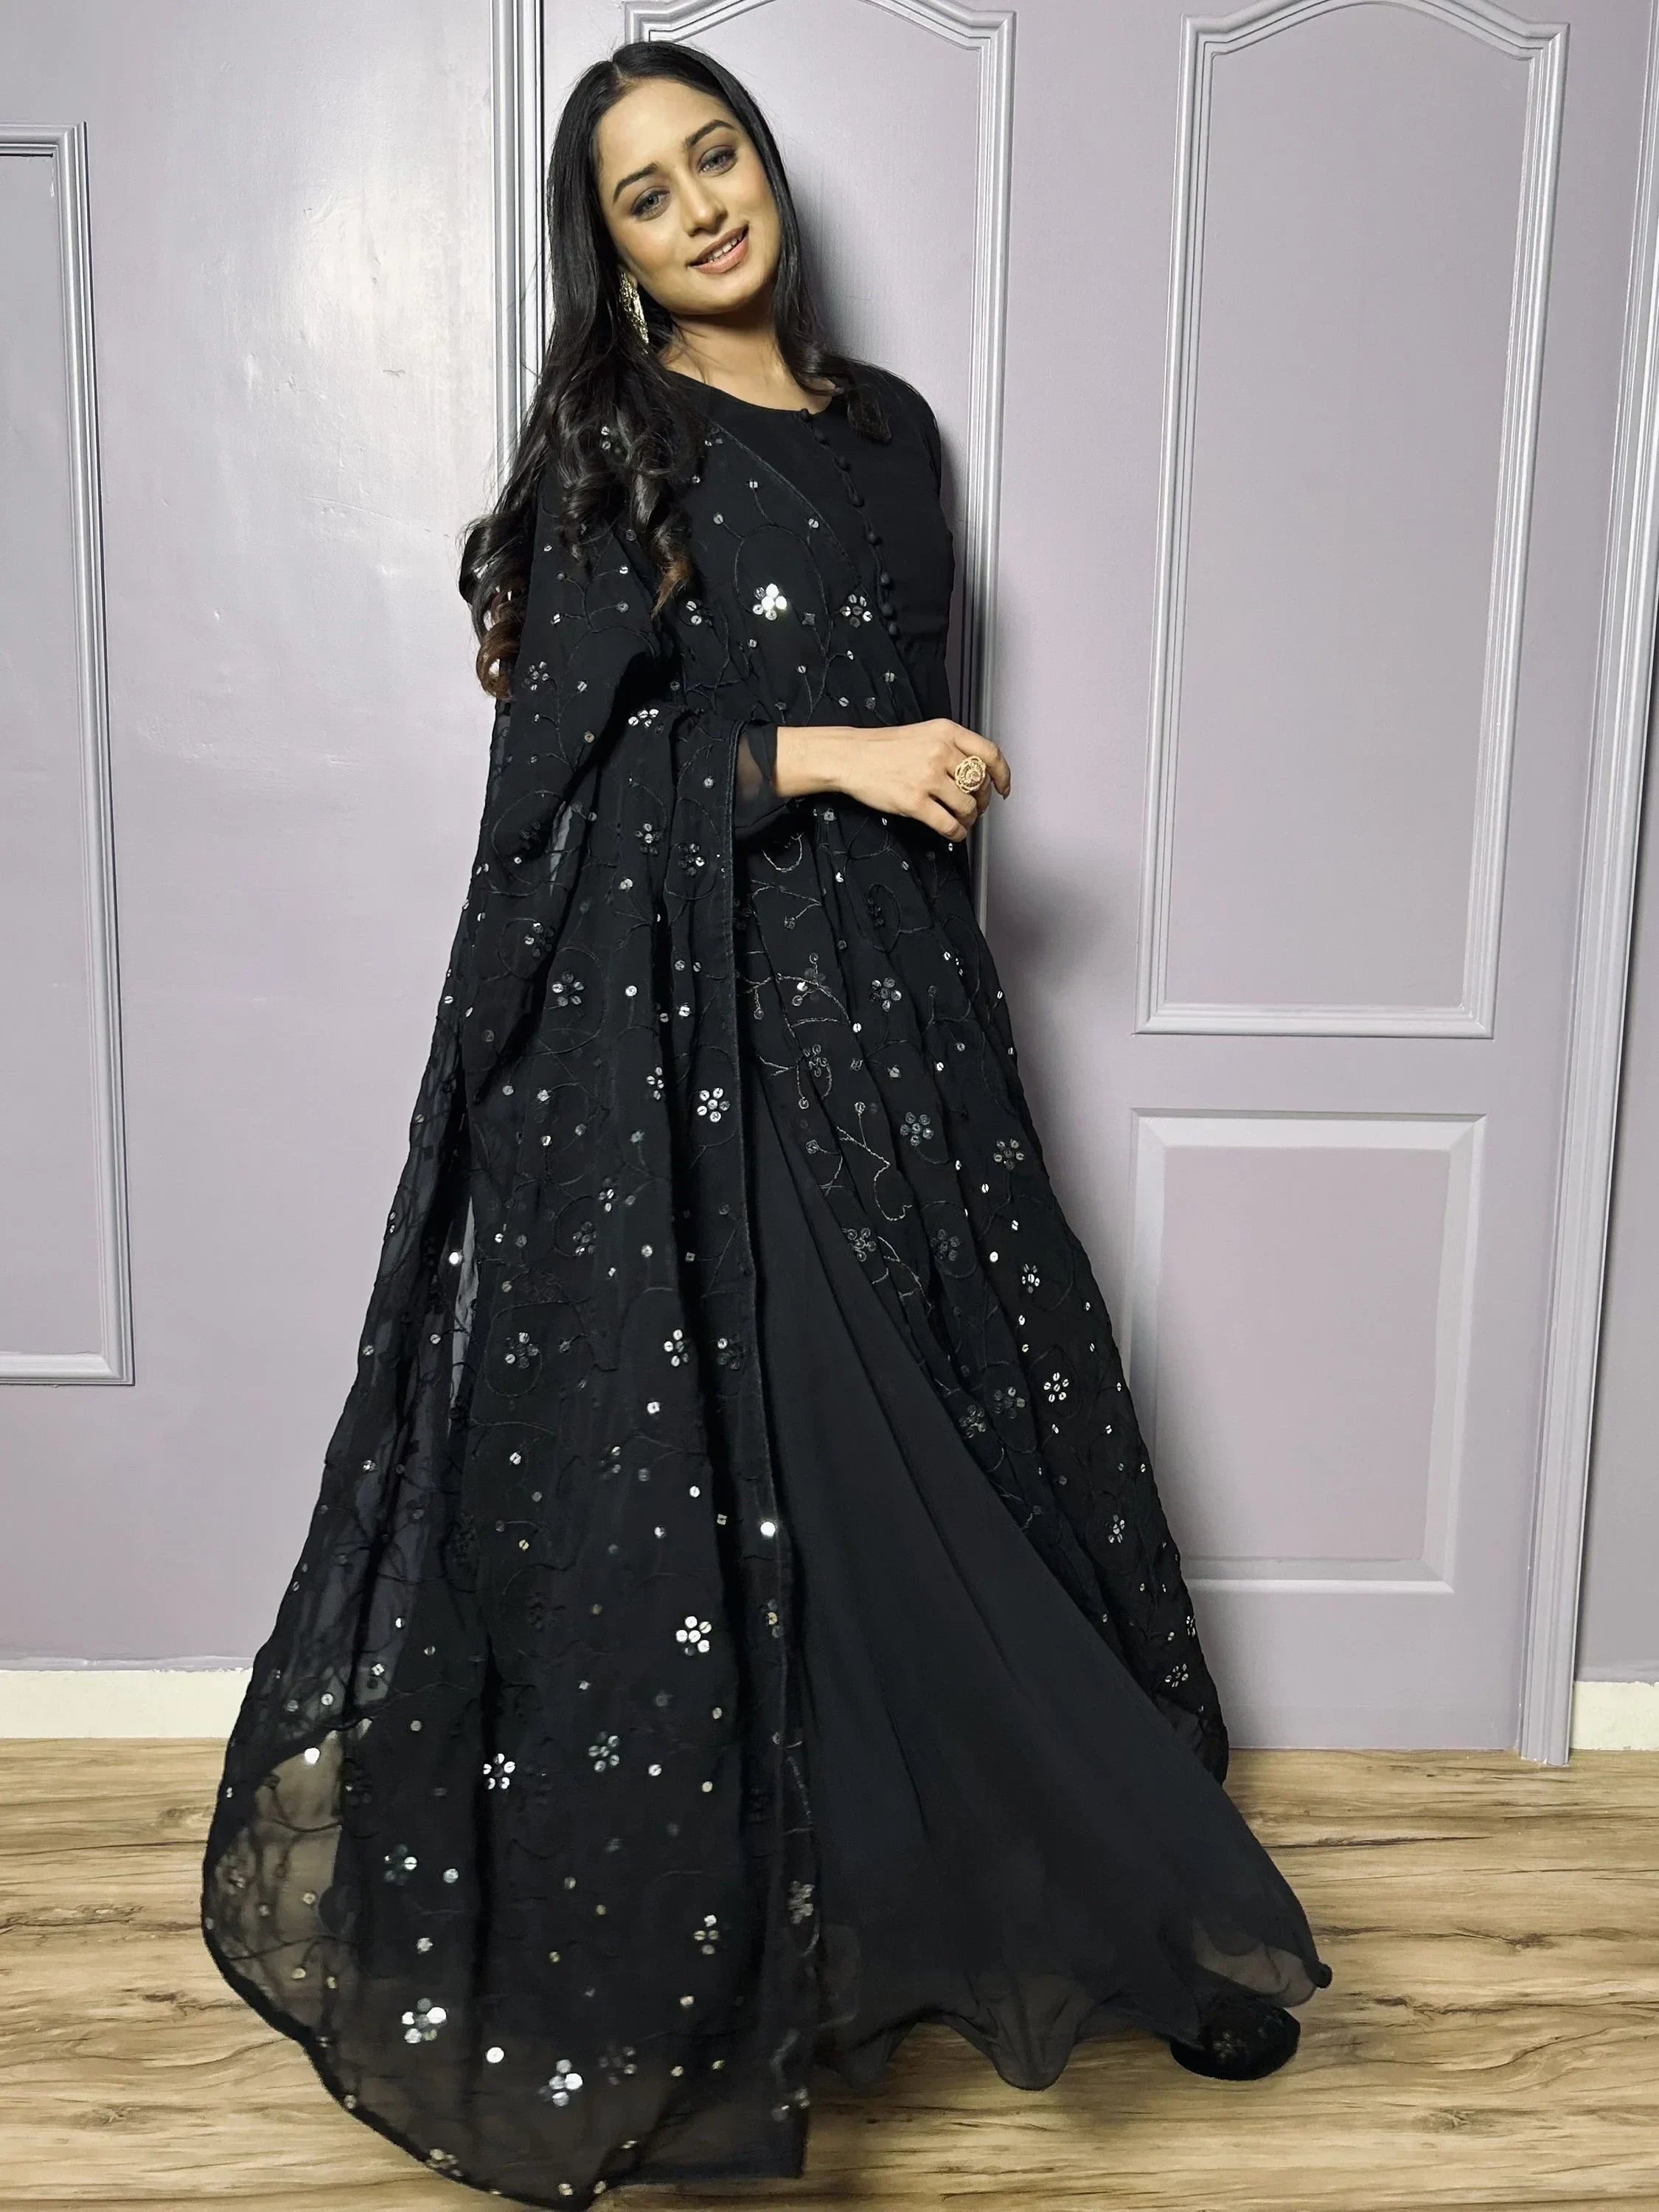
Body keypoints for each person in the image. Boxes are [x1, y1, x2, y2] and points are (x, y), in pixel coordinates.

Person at [199, 39, 1332, 2210]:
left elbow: (925, 732)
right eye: (645, 190)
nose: (703, 202)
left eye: (715, 153)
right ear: (607, 253)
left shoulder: (894, 432)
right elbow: (547, 816)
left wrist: (916, 825)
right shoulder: (615, 455)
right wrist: (824, 757)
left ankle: (1090, 1907)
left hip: (909, 1030)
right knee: (815, 1497)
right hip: (698, 1069)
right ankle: (767, 1964)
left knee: (993, 1460)